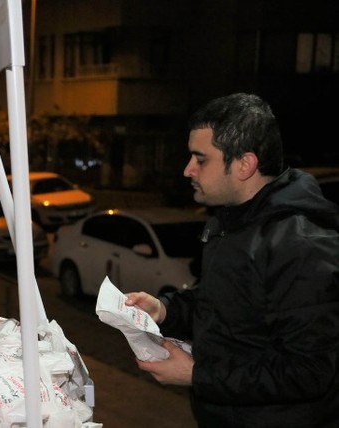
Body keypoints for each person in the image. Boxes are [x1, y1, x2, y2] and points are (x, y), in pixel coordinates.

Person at [125, 93, 339, 427]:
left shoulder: (302, 246)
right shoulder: (232, 221)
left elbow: (309, 372)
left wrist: (197, 374)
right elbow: (223, 302)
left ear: (244, 164)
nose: (187, 170)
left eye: (201, 159)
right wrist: (164, 309)